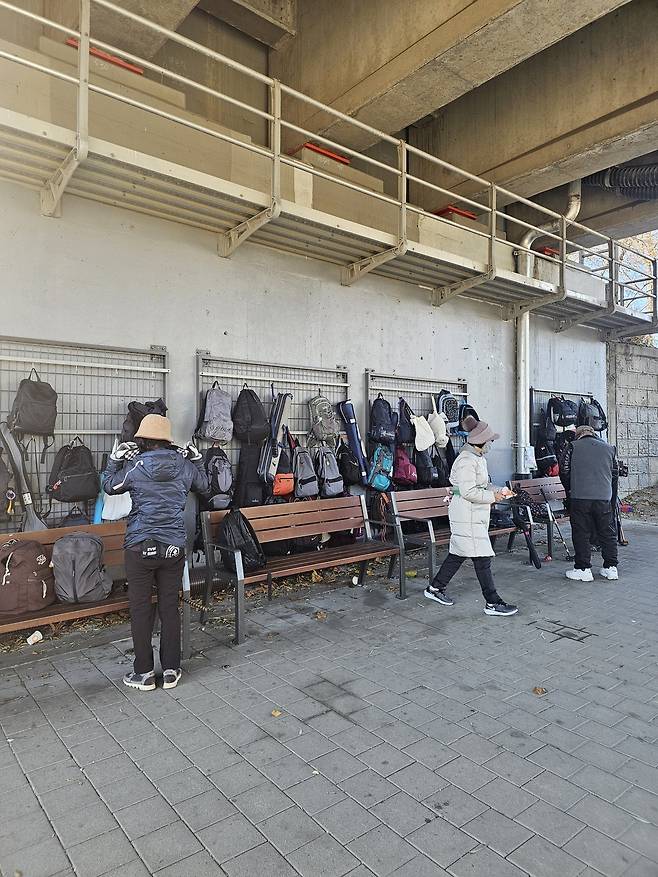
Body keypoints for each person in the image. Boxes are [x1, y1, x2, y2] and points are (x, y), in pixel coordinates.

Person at [103, 414, 208, 691]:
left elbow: (109, 486)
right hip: (173, 546)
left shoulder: (135, 467)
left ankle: (144, 673)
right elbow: (205, 486)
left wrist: (114, 459)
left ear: (142, 440)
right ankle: (171, 670)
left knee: (140, 609)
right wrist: (197, 459)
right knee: (169, 606)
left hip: (140, 546)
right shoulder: (184, 465)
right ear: (167, 440)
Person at [424, 420, 518, 616]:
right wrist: (493, 497)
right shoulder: (467, 460)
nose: (491, 444)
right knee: (481, 556)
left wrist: (500, 490)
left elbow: (482, 485)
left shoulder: (477, 457)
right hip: (467, 514)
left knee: (459, 552)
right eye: (490, 440)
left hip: (471, 513)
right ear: (481, 441)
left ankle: (435, 588)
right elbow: (468, 492)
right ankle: (492, 602)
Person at [561, 424, 618, 582]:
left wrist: (571, 489)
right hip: (604, 497)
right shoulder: (609, 448)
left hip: (580, 497)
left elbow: (564, 471)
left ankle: (583, 569)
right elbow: (615, 474)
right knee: (607, 533)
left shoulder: (572, 446)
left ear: (578, 435)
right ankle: (611, 568)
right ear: (593, 434)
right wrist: (610, 496)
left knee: (581, 532)